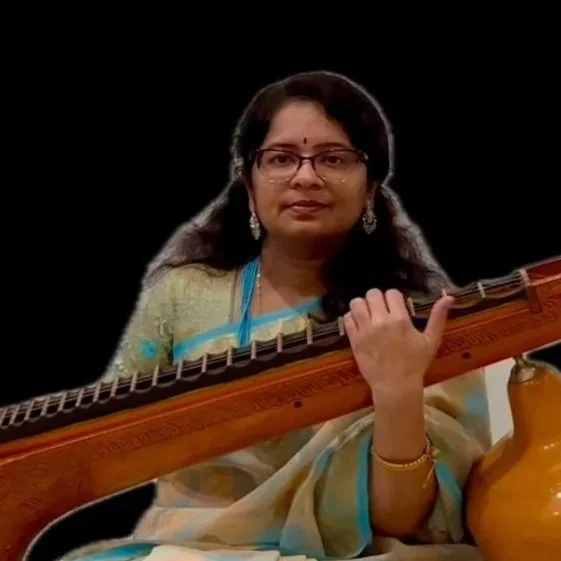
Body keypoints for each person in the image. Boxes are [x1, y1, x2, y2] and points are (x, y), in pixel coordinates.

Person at [62, 71, 491, 561]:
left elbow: (402, 521)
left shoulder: (410, 317)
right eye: (281, 158)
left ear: (371, 187)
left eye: (334, 158)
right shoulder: (183, 294)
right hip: (188, 548)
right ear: (249, 184)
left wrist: (397, 391)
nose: (305, 177)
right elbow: (106, 444)